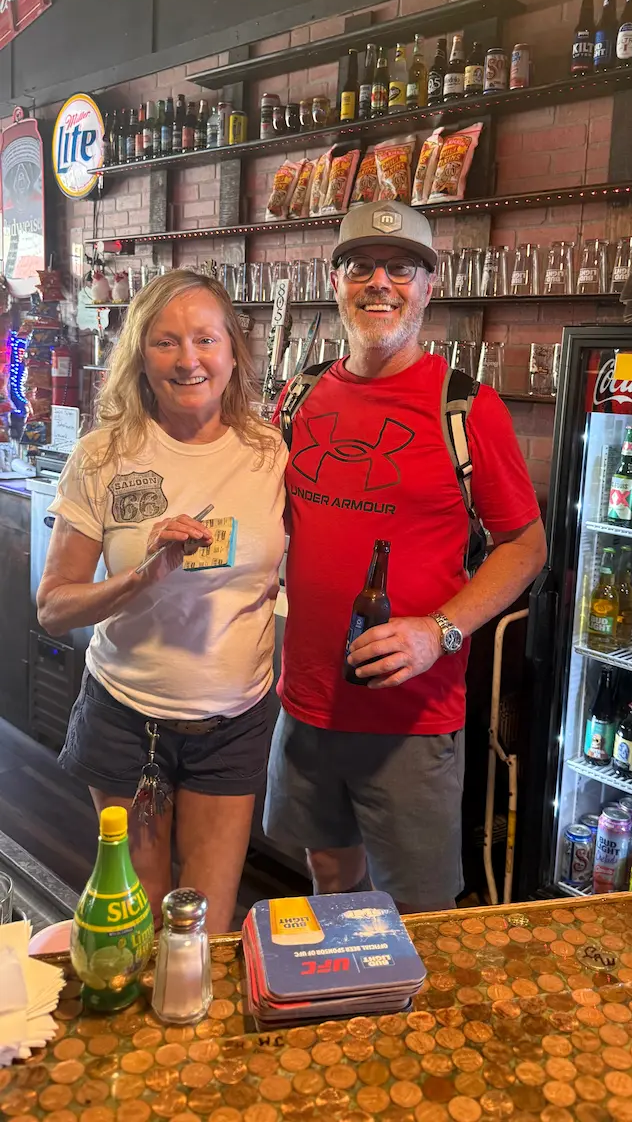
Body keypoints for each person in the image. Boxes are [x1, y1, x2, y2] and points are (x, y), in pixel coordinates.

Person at [264, 200, 546, 913]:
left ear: (427, 285)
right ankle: (342, 1021)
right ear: (335, 280)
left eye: (400, 268)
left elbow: (526, 546)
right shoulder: (299, 398)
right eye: (360, 265)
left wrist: (439, 631)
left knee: (418, 915)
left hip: (412, 719)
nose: (379, 282)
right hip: (306, 705)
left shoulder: (467, 408)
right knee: (329, 882)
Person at [37, 271, 287, 931]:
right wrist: (140, 578)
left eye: (205, 339)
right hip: (126, 720)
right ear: (139, 355)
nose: (188, 359)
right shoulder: (103, 458)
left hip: (232, 723)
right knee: (138, 915)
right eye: (165, 341)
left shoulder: (270, 455)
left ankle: (193, 1035)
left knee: (204, 923)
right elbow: (54, 606)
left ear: (233, 352)